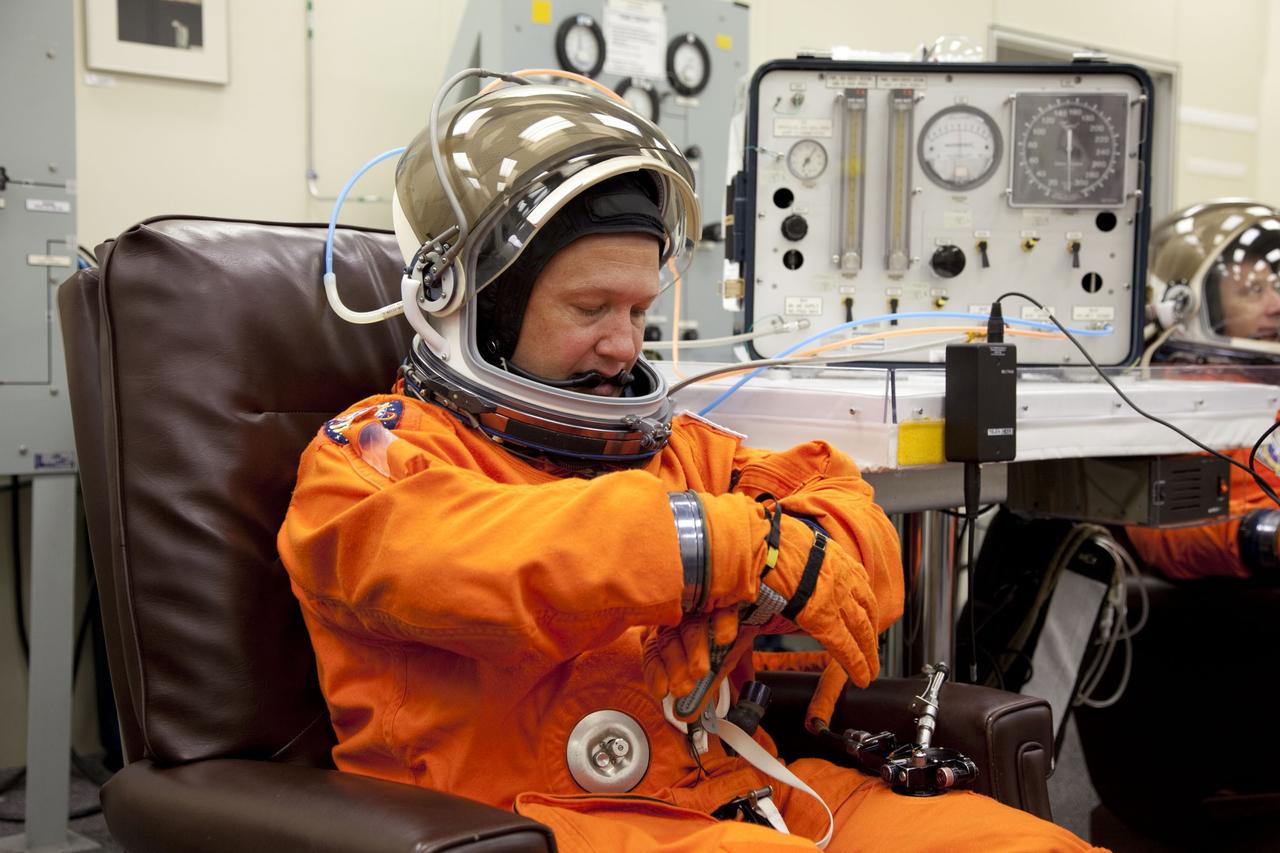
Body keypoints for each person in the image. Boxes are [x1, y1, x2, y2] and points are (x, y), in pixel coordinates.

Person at [278, 72, 1097, 851]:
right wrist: (719, 550)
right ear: (471, 301)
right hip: (526, 821)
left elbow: (847, 521)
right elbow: (479, 558)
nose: (624, 343)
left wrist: (778, 566)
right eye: (590, 307)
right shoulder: (374, 459)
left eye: (637, 308)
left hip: (739, 791)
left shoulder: (681, 451)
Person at [1128, 200, 1280, 581]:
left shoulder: (1264, 383)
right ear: (1189, 303)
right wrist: (1264, 534)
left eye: (1277, 287)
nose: (1276, 305)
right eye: (1252, 290)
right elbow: (1163, 532)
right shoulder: (1175, 396)